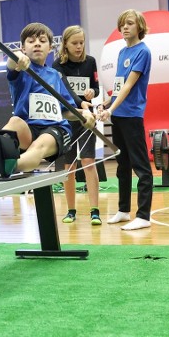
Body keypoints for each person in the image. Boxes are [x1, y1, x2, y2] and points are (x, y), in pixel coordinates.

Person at [1, 23, 95, 174]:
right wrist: (17, 57)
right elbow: (12, 63)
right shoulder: (21, 69)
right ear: (23, 48)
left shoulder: (55, 75)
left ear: (50, 48)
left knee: (38, 146)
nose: (37, 44)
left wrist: (84, 114)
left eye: (42, 41)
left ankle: (5, 168)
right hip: (29, 128)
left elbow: (67, 111)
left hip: (55, 129)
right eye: (31, 41)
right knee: (14, 122)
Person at [97, 9, 153, 231]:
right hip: (118, 114)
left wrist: (111, 109)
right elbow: (119, 85)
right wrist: (108, 103)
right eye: (122, 24)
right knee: (122, 165)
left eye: (129, 24)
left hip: (131, 116)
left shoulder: (143, 52)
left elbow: (130, 85)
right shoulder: (122, 52)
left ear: (139, 26)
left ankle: (143, 215)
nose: (125, 28)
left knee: (141, 166)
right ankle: (123, 210)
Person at [52, 25, 102, 225]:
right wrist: (80, 103)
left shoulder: (90, 62)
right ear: (65, 44)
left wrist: (92, 92)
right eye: (74, 43)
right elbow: (66, 92)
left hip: (87, 118)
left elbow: (97, 87)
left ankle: (95, 210)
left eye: (81, 42)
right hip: (67, 119)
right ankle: (71, 210)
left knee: (89, 162)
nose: (79, 46)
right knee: (68, 167)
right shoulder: (58, 66)